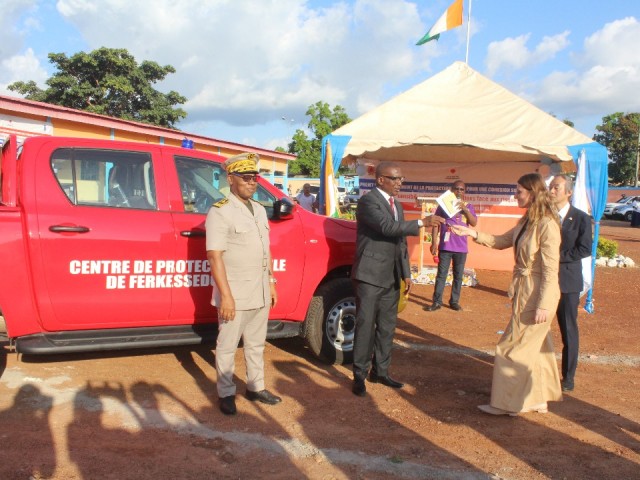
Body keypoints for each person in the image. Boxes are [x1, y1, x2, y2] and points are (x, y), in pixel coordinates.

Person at [451, 173, 562, 415]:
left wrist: (543, 304)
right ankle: (537, 399)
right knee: (537, 348)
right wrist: (471, 233)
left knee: (512, 348)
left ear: (532, 194)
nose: (515, 195)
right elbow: (501, 241)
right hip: (524, 290)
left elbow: (551, 270)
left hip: (538, 293)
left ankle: (505, 403)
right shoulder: (527, 222)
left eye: (519, 191)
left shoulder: (547, 225)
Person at [351, 162, 444, 397]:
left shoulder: (397, 205)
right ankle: (359, 375)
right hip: (370, 276)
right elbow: (387, 228)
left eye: (401, 179)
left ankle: (380, 371)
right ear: (381, 179)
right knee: (366, 327)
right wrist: (423, 222)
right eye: (395, 179)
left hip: (391, 277)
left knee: (387, 327)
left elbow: (400, 242)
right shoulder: (368, 201)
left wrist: (405, 273)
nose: (399, 183)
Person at [205, 152, 281, 415]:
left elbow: (265, 251)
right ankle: (226, 392)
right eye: (246, 178)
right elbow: (215, 256)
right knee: (227, 346)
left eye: (254, 178)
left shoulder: (259, 210)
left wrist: (270, 281)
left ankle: (255, 387)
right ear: (231, 179)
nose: (252, 182)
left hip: (259, 290)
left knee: (257, 343)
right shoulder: (220, 212)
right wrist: (225, 296)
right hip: (235, 293)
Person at [549, 174, 592, 392]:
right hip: (545, 281)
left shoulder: (581, 218)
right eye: (551, 187)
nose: (552, 190)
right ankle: (538, 371)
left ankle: (568, 376)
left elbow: (585, 248)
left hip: (567, 281)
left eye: (556, 187)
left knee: (568, 330)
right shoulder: (544, 215)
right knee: (538, 327)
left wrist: (557, 255)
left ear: (569, 192)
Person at [426, 180, 477, 312]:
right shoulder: (444, 206)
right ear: (451, 190)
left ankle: (454, 301)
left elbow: (474, 223)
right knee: (441, 275)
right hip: (445, 246)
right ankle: (437, 302)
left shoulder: (468, 206)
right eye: (456, 189)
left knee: (458, 276)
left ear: (464, 192)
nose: (459, 191)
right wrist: (433, 243)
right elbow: (436, 224)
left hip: (461, 248)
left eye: (461, 189)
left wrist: (465, 209)